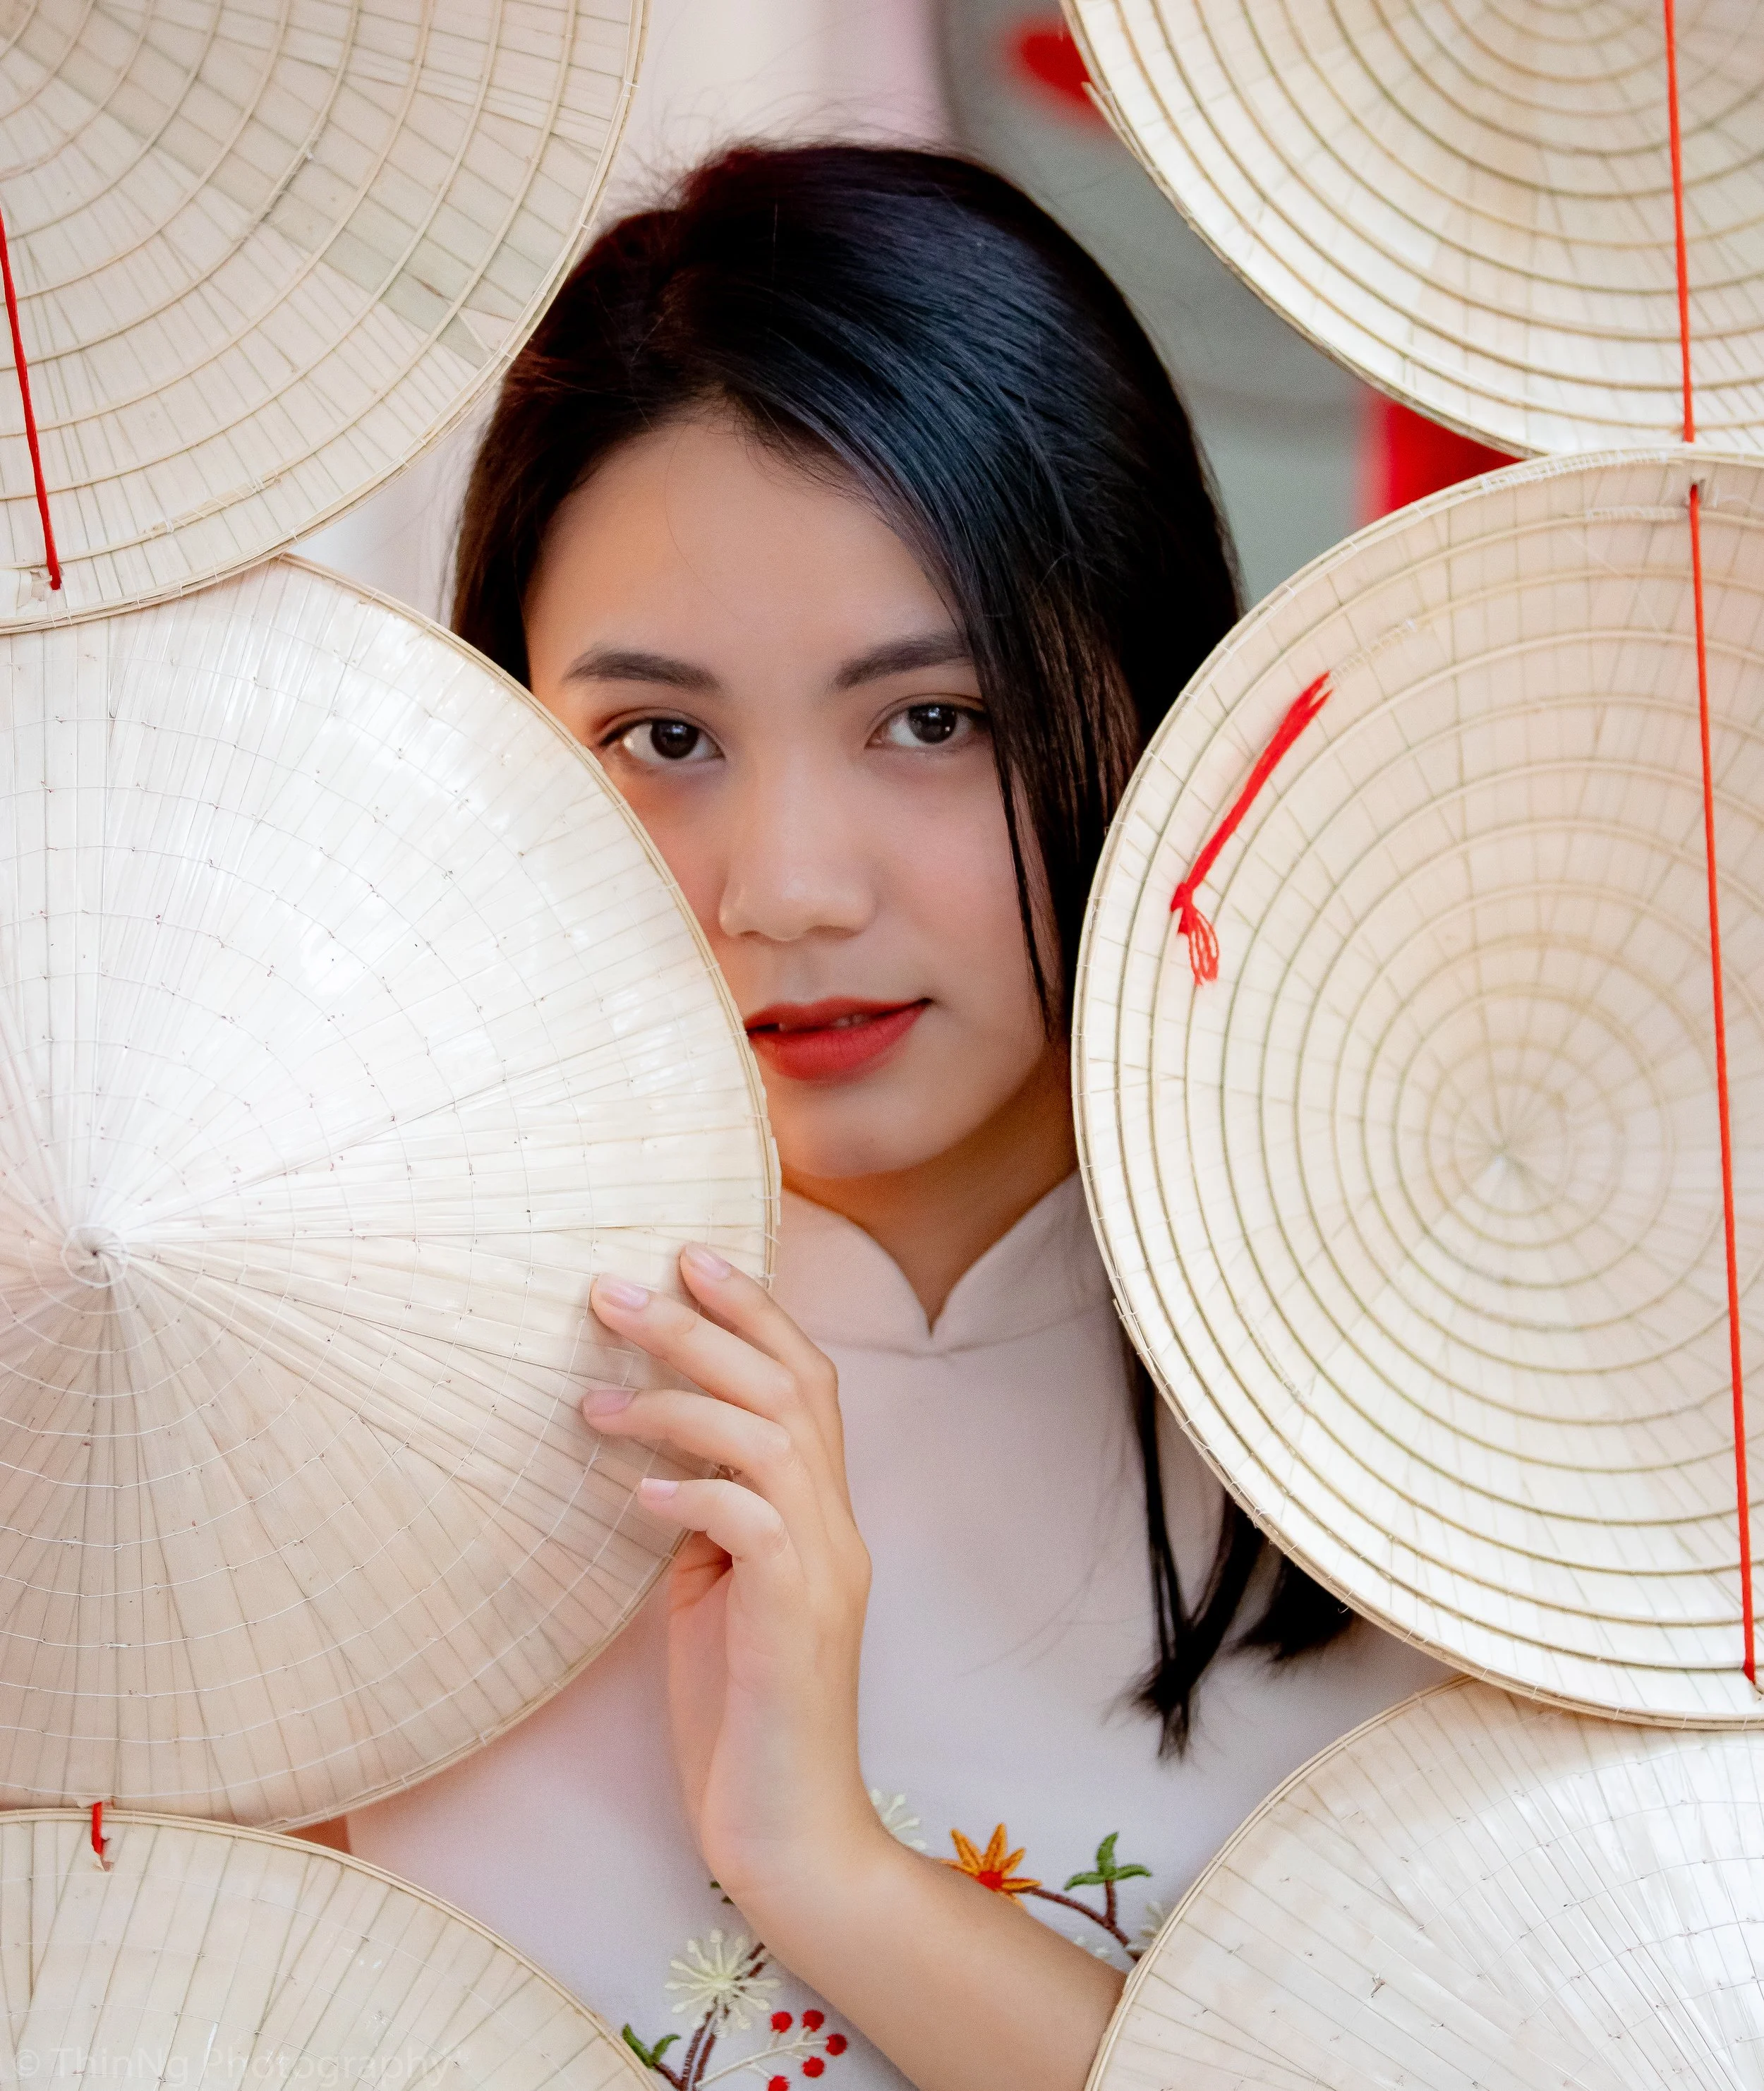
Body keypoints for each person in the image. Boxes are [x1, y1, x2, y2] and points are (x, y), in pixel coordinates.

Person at [344, 145, 1443, 2091]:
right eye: (658, 741)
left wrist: (822, 1865)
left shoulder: (1468, 1425)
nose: (786, 885)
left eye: (931, 718)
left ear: (1140, 687)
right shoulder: (318, 1403)